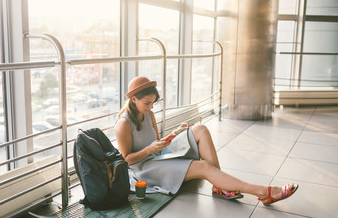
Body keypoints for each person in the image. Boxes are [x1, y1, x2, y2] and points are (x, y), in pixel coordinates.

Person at [114, 76, 298, 204]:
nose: (150, 107)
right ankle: (265, 192)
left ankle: (220, 186)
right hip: (145, 169)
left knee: (200, 128)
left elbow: (156, 141)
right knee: (204, 167)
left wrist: (175, 133)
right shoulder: (124, 124)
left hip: (158, 155)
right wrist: (149, 150)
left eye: (153, 103)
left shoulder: (149, 115)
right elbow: (126, 160)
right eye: (147, 103)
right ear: (133, 100)